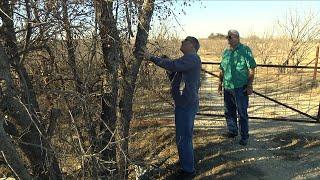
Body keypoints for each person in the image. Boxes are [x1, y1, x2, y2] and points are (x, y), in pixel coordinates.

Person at [138, 36, 201, 178]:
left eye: (185, 41)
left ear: (192, 45)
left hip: (186, 105)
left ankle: (188, 170)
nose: (182, 42)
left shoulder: (192, 58)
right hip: (183, 104)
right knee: (183, 136)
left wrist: (152, 58)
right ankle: (186, 164)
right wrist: (165, 64)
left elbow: (173, 65)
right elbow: (174, 74)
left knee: (184, 137)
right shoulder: (188, 60)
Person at [218, 30, 257, 146]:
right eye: (227, 37)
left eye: (230, 37)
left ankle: (244, 136)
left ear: (237, 37)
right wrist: (220, 84)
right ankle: (232, 131)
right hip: (227, 87)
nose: (228, 39)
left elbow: (252, 69)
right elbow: (222, 69)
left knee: (242, 113)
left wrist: (250, 85)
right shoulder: (226, 52)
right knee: (229, 112)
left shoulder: (245, 50)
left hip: (240, 88)